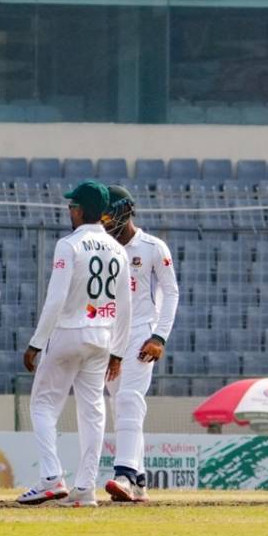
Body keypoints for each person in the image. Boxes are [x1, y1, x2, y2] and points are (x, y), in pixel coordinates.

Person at [17, 181, 132, 508]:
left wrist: (36, 343)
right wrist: (119, 352)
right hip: (102, 338)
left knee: (41, 405)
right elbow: (126, 306)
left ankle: (52, 478)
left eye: (72, 206)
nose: (69, 210)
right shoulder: (118, 250)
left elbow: (55, 300)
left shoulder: (69, 245)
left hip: (69, 331)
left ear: (81, 210)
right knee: (93, 412)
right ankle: (85, 489)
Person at [101, 186, 180, 503]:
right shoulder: (102, 247)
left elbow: (171, 292)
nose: (106, 221)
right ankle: (140, 480)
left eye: (110, 214)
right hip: (109, 335)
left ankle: (123, 473)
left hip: (140, 333)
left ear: (126, 211)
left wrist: (159, 336)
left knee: (130, 400)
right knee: (119, 408)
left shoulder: (151, 247)